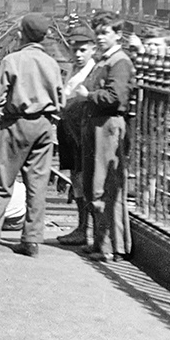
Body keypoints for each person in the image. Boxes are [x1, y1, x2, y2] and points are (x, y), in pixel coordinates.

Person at [0, 13, 63, 258]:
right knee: (37, 185)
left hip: (17, 124)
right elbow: (61, 100)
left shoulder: (12, 60)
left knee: (1, 182)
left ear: (22, 34)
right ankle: (31, 242)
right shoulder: (52, 63)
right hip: (44, 126)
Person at [71, 12, 135, 261]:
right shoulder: (105, 59)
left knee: (103, 186)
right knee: (92, 184)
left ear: (118, 34)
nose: (99, 37)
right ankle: (100, 242)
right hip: (96, 124)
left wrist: (88, 96)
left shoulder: (119, 61)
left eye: (105, 32)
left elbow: (116, 97)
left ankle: (109, 247)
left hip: (107, 126)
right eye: (97, 33)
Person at [55, 27, 97, 246]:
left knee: (84, 178)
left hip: (82, 131)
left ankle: (88, 230)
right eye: (75, 50)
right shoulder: (72, 69)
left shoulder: (94, 72)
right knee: (75, 177)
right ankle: (81, 228)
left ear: (93, 50)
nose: (78, 54)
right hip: (69, 128)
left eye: (83, 50)